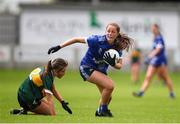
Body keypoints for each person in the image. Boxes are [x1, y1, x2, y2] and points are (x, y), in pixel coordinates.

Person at [48, 22, 133, 117]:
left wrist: (113, 63)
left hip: (99, 71)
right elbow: (76, 39)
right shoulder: (96, 40)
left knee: (108, 97)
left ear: (117, 34)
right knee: (110, 86)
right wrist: (59, 46)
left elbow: (119, 66)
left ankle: (99, 111)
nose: (110, 33)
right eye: (108, 31)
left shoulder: (117, 46)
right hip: (86, 67)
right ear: (105, 31)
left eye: (113, 32)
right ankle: (103, 111)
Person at [133, 24, 175, 98]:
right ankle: (141, 92)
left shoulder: (159, 38)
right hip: (154, 60)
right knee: (148, 77)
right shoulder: (155, 38)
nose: (153, 30)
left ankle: (171, 93)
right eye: (152, 29)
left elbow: (158, 50)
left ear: (158, 29)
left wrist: (149, 56)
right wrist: (150, 56)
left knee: (165, 77)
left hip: (160, 60)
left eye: (154, 29)